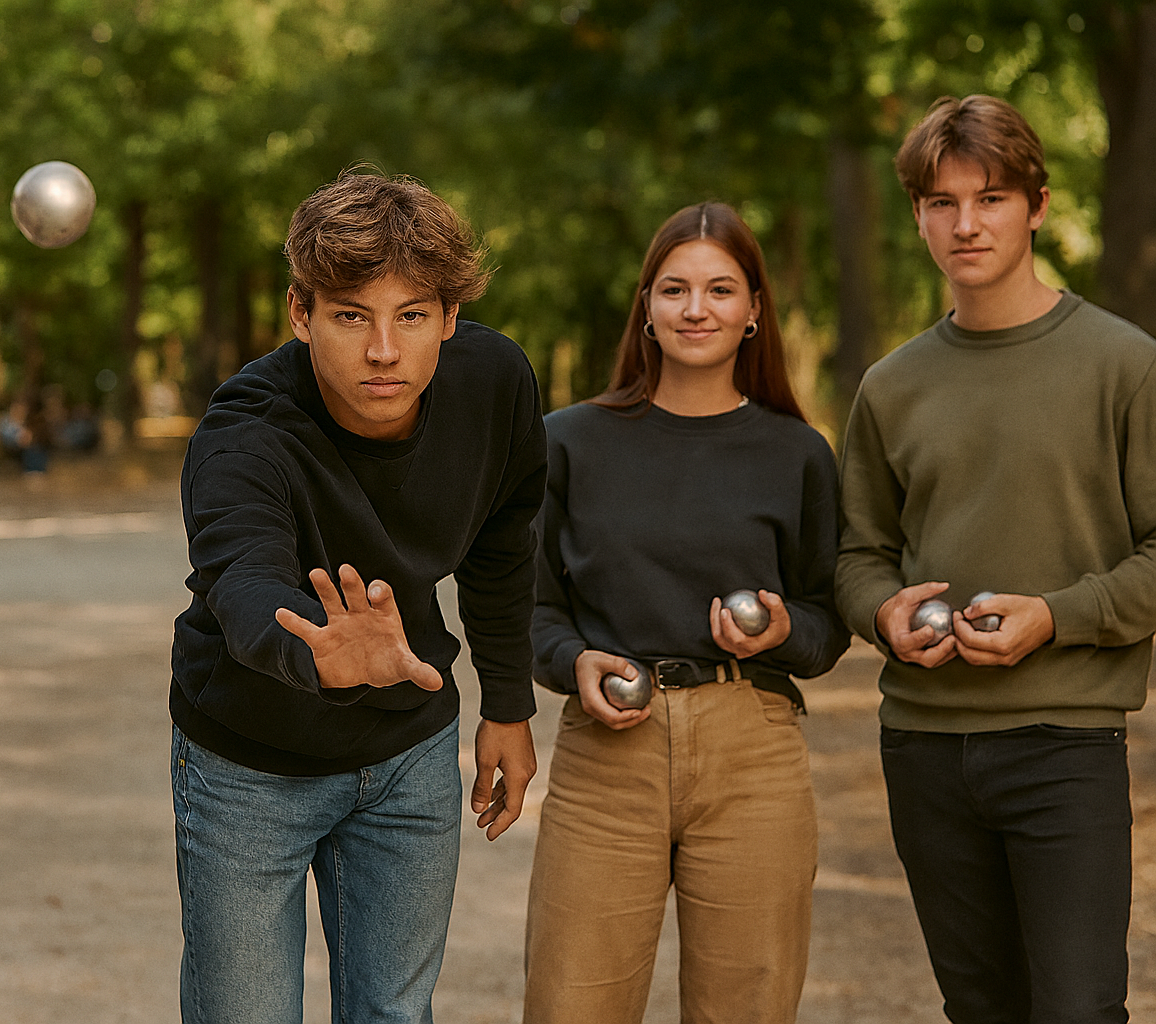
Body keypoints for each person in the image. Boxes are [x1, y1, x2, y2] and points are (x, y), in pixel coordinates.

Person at [170, 170, 546, 1024]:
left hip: (410, 750)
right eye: (351, 316)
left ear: (450, 319)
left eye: (411, 316)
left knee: (392, 1016)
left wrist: (510, 705)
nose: (384, 351)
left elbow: (501, 540)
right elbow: (244, 579)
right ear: (301, 315)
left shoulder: (494, 382)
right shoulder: (245, 436)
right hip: (250, 761)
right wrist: (310, 648)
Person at [836, 95, 1156, 1023]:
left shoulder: (1124, 366)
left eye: (991, 198)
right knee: (981, 1008)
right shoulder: (891, 386)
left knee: (1078, 1009)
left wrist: (1056, 615)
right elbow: (859, 554)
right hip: (924, 748)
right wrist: (885, 613)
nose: (966, 223)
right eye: (941, 202)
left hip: (1065, 745)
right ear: (918, 216)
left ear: (1039, 206)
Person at [523, 201, 849, 1023]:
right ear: (646, 307)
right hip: (607, 757)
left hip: (754, 755)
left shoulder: (798, 453)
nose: (695, 309)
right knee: (572, 1007)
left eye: (719, 289)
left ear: (753, 312)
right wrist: (572, 662)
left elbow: (825, 621)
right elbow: (527, 608)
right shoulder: (568, 442)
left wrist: (781, 630)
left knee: (748, 1006)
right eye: (674, 289)